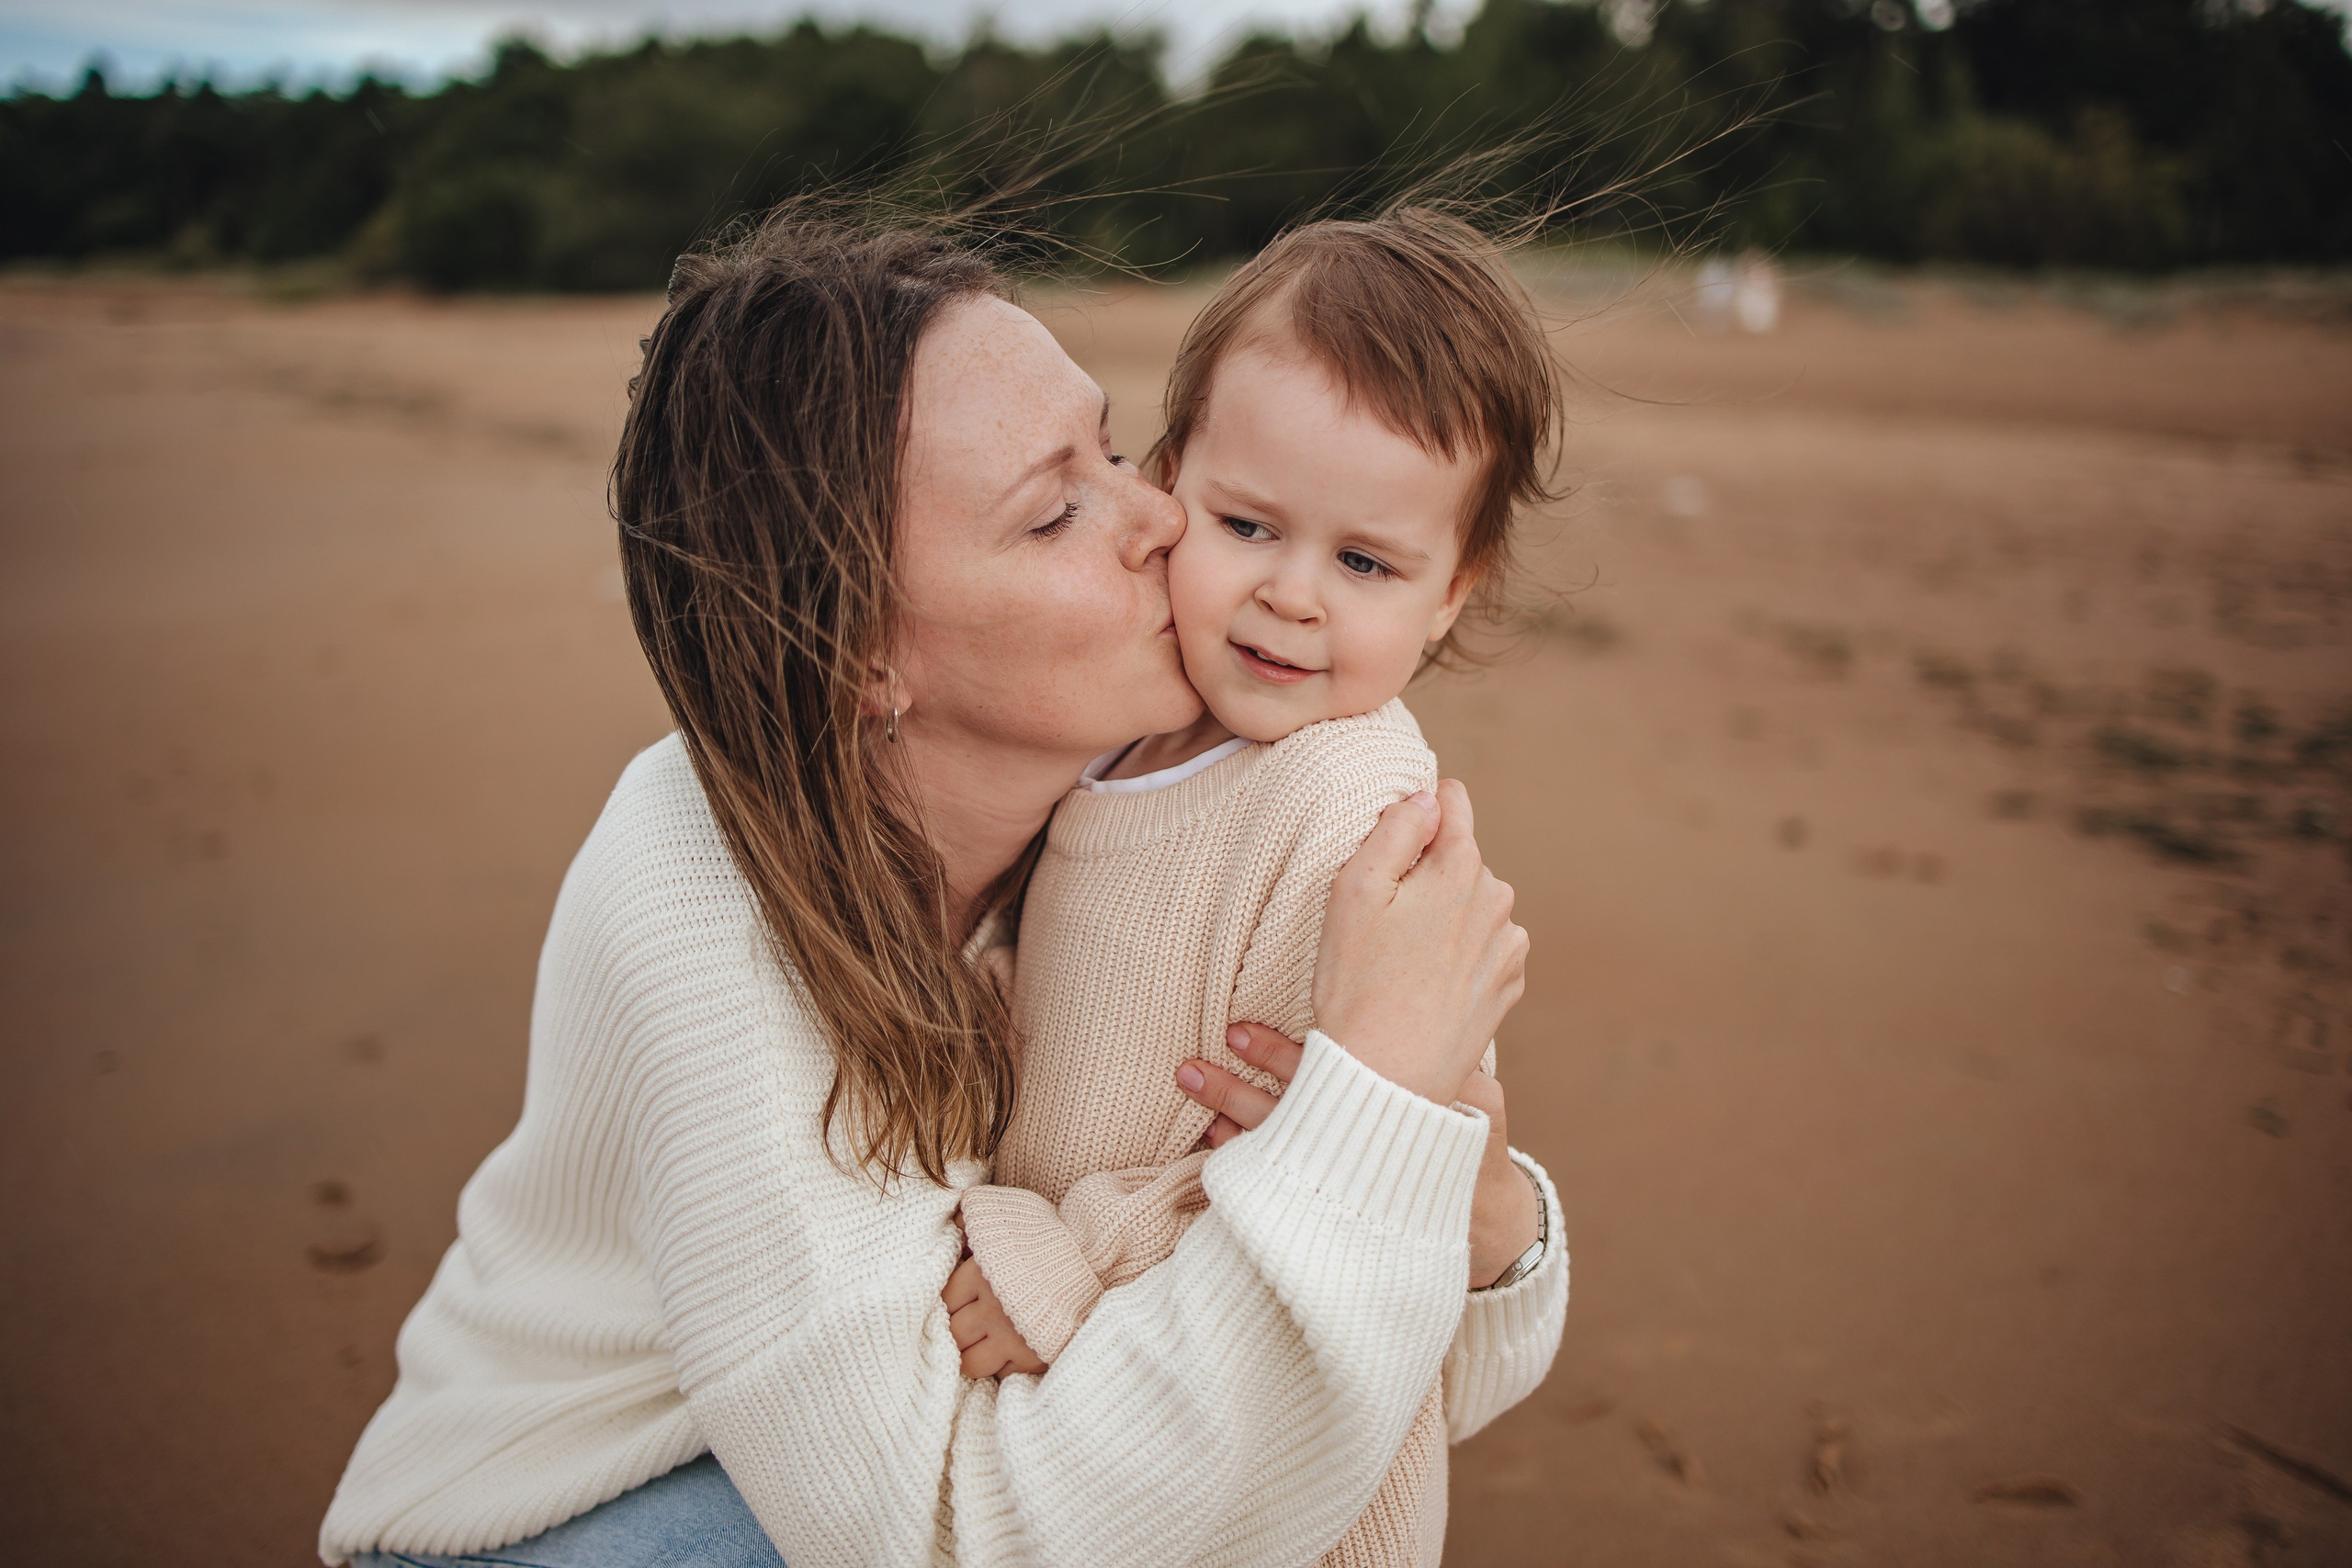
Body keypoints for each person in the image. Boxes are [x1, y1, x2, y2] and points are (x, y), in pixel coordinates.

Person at [319, 211, 1538, 1568]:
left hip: (890, 1447)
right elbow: (957, 1537)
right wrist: (1362, 1134)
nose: (1164, 522)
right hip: (594, 1508)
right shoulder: (706, 906)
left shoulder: (1147, 804)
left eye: (1119, 447)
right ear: (864, 655)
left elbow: (1383, 1388)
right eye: (1057, 508)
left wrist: (1481, 1215)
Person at [947, 209, 1568, 1568]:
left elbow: (1331, 1175)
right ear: (1170, 481)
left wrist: (1068, 1264)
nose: (1291, 597)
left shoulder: (1356, 823)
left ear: (1451, 593)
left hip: (1277, 1479)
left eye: (1364, 564)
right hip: (1087, 1405)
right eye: (1246, 524)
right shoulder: (1126, 728)